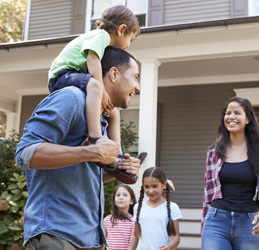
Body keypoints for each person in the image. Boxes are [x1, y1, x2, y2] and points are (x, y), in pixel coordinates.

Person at [15, 46, 141, 250]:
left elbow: (82, 171)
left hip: (91, 239)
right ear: (114, 74)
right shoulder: (71, 98)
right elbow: (25, 153)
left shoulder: (101, 121)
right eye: (135, 77)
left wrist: (119, 169)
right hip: (56, 236)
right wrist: (91, 152)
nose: (137, 87)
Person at [48, 5, 140, 146]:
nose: (128, 45)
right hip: (62, 74)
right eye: (131, 39)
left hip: (73, 75)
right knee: (95, 86)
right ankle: (95, 137)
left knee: (113, 112)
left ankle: (117, 153)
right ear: (121, 30)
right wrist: (101, 90)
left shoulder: (102, 41)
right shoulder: (101, 36)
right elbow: (92, 59)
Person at [201, 97, 259, 250]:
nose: (231, 117)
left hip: (250, 222)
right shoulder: (213, 153)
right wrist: (204, 224)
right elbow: (208, 194)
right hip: (216, 221)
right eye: (227, 113)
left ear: (248, 118)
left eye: (237, 113)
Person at [129, 167, 182, 250]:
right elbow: (136, 236)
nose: (150, 191)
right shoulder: (137, 207)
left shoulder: (173, 208)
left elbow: (176, 237)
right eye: (146, 187)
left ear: (164, 185)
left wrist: (169, 247)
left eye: (155, 186)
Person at [104, 184, 137, 250]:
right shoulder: (107, 220)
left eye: (125, 195)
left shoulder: (134, 221)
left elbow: (133, 245)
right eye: (118, 195)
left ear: (131, 201)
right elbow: (102, 242)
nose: (121, 197)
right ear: (114, 201)